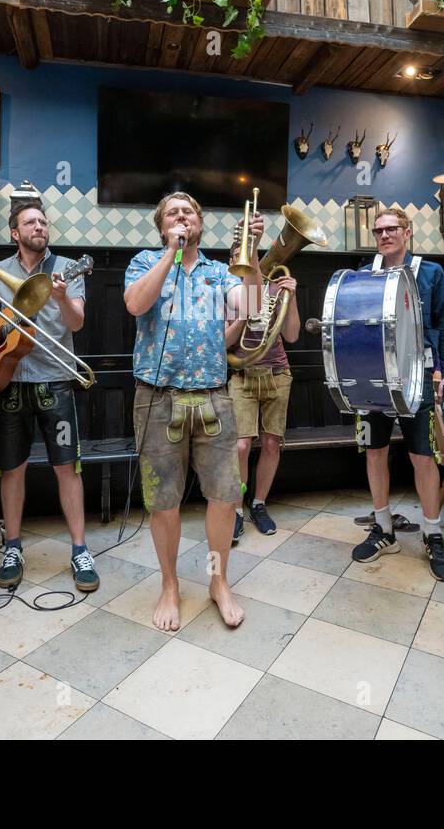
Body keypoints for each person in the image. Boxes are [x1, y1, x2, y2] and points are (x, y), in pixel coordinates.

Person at [123, 191, 263, 631]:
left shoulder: (220, 272)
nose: (182, 217)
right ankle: (169, 585)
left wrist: (254, 255)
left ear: (201, 222)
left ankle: (218, 581)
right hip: (156, 396)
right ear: (162, 225)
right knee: (163, 500)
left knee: (225, 496)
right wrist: (170, 252)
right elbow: (135, 305)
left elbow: (253, 309)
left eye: (189, 212)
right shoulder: (145, 262)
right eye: (172, 213)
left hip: (213, 395)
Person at [0, 200, 98, 592]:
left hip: (54, 380)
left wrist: (58, 298)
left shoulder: (67, 269)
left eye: (43, 221)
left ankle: (79, 549)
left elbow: (77, 322)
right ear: (14, 232)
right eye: (30, 222)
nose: (39, 226)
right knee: (12, 468)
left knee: (66, 467)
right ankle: (13, 546)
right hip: (7, 381)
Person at [349, 205, 444, 581]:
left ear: (407, 232)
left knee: (423, 457)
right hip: (371, 379)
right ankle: (383, 529)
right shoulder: (363, 276)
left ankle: (432, 534)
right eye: (378, 231)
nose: (384, 236)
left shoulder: (429, 273)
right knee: (374, 452)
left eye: (391, 229)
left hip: (418, 378)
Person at [228, 268, 301, 540]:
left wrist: (290, 296)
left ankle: (258, 504)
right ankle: (236, 509)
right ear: (232, 261)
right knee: (241, 445)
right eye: (240, 256)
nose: (247, 261)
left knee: (271, 443)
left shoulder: (276, 287)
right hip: (242, 375)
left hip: (277, 374)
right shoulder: (227, 289)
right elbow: (223, 342)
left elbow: (292, 335)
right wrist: (244, 315)